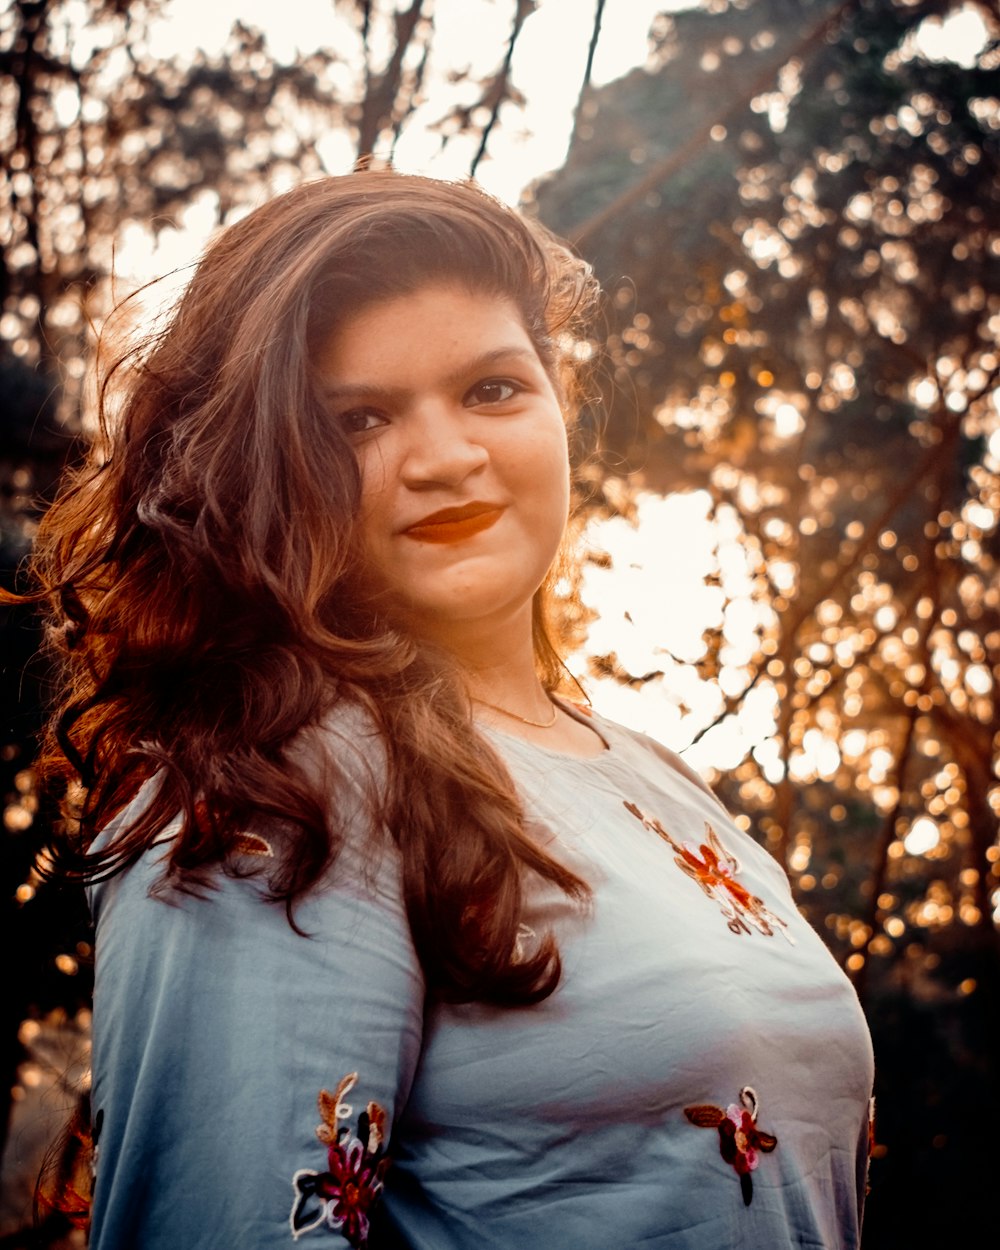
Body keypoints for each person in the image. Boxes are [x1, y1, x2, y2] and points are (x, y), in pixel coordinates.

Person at [21, 171, 874, 1249]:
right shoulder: (276, 789)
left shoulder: (659, 777)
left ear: (560, 398)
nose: (446, 458)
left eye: (492, 390)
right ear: (267, 468)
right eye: (361, 418)